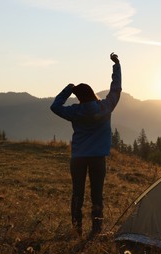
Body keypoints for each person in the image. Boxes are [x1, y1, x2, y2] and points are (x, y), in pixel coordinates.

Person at [50, 52, 122, 238]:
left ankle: (77, 229)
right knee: (97, 195)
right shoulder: (105, 107)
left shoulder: (75, 111)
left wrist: (68, 89)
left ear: (79, 97)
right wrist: (116, 65)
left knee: (77, 194)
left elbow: (55, 107)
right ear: (92, 93)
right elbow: (116, 89)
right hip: (98, 159)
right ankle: (96, 230)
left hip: (78, 158)